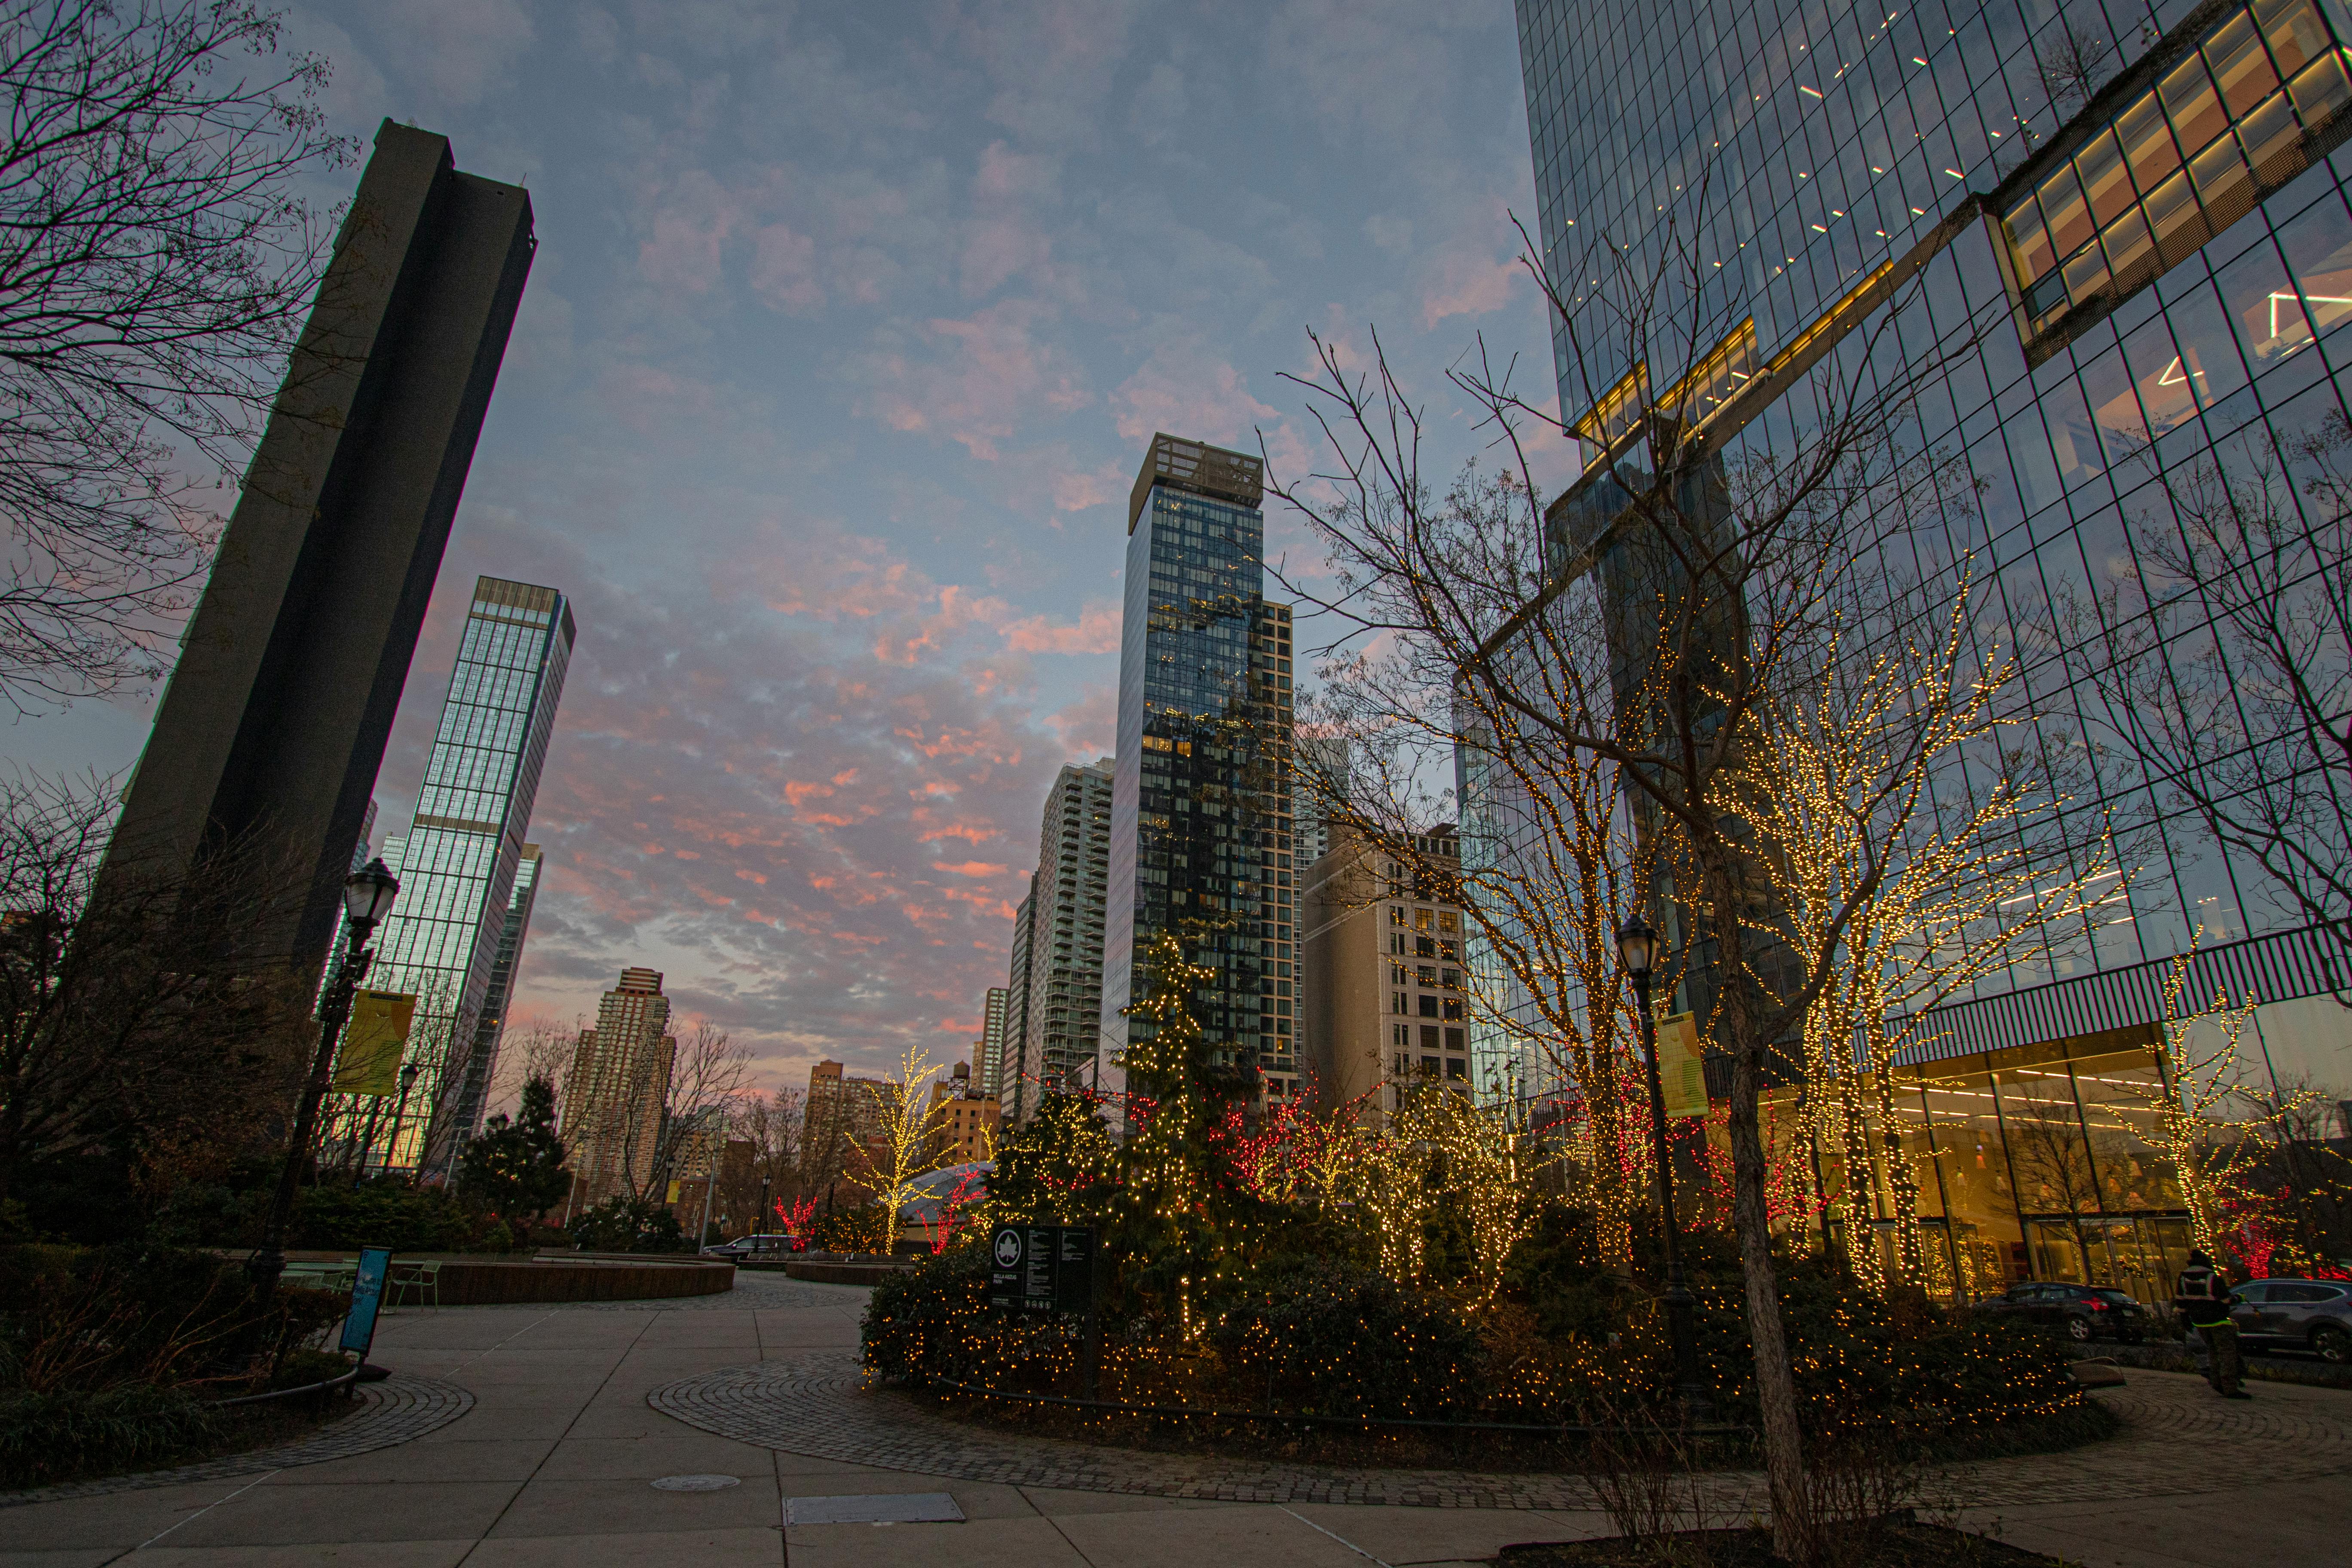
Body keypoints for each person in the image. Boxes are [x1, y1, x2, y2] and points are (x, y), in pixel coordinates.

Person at [2174, 1248, 2248, 1399]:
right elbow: (2226, 1300)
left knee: (2213, 1352)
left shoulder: (2183, 1278)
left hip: (2200, 1323)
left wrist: (2186, 1321)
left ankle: (2216, 1382)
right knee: (2227, 1354)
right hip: (2218, 1322)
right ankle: (2230, 1388)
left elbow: (2181, 1302)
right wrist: (2240, 1298)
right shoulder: (2212, 1277)